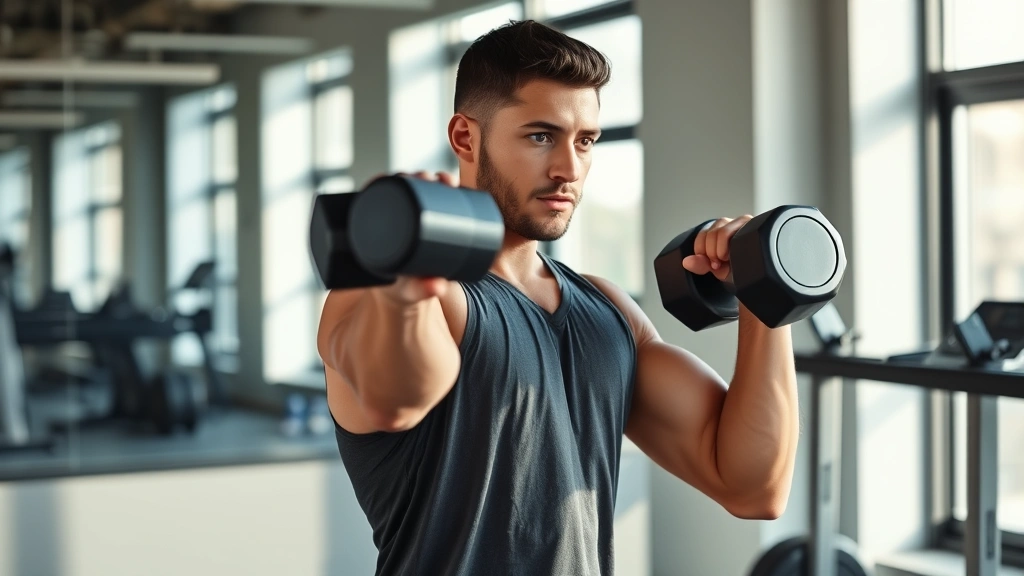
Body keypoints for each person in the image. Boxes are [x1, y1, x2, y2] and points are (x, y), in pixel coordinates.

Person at [317, 19, 798, 576]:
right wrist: (406, 291)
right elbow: (392, 396)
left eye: (585, 140)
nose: (569, 168)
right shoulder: (397, 293)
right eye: (540, 136)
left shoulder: (607, 310)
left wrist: (766, 296)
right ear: (465, 137)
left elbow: (752, 486)